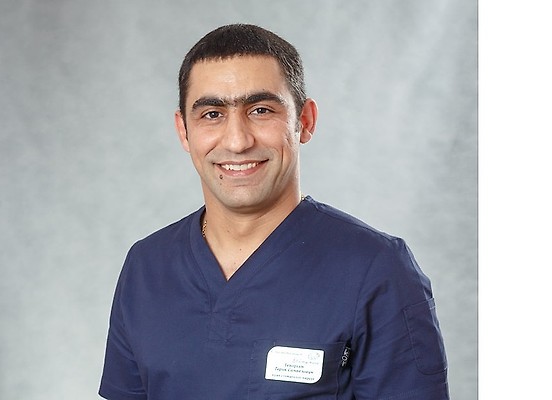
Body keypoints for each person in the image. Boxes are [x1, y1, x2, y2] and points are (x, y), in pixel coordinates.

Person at [99, 24, 449, 399]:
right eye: (212, 114)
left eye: (261, 110)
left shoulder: (376, 269)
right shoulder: (146, 267)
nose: (237, 141)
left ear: (304, 121)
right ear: (184, 131)